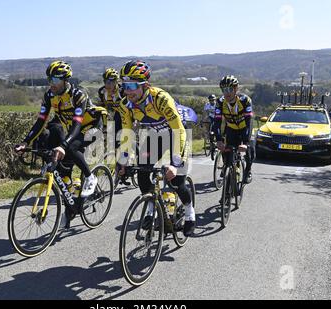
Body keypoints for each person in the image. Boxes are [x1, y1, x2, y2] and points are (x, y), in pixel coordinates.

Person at [117, 60, 196, 237]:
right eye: (124, 85)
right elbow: (127, 133)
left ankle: (190, 213)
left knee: (177, 181)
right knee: (143, 174)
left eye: (131, 86)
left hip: (177, 136)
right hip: (155, 137)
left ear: (144, 85)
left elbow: (178, 130)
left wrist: (175, 163)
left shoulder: (160, 98)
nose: (127, 91)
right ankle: (151, 208)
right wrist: (123, 160)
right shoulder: (125, 105)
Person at [14, 60, 101, 197]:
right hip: (74, 129)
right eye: (49, 79)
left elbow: (77, 124)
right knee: (60, 153)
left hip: (92, 126)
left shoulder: (78, 95)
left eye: (54, 79)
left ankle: (90, 177)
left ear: (65, 80)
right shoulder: (49, 95)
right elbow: (41, 121)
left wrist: (64, 145)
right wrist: (26, 141)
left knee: (70, 147)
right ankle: (72, 191)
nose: (51, 83)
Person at [213, 75, 254, 185]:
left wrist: (245, 143)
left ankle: (248, 170)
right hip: (231, 128)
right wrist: (218, 140)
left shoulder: (245, 100)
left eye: (230, 89)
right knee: (228, 152)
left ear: (236, 89)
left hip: (245, 128)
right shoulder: (220, 102)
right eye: (224, 90)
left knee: (249, 150)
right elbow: (216, 122)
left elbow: (249, 121)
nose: (227, 93)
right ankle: (232, 169)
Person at [98, 68, 131, 186]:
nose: (108, 85)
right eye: (106, 81)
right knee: (114, 143)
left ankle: (126, 163)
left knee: (124, 141)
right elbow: (103, 107)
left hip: (127, 114)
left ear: (116, 82)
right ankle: (118, 168)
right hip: (115, 114)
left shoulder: (123, 91)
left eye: (111, 82)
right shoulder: (102, 92)